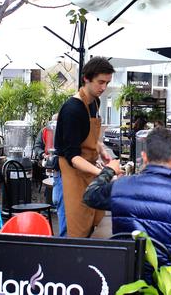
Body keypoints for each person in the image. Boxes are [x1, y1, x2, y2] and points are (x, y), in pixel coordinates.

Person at [83, 127, 171, 277]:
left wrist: (109, 170)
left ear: (144, 157)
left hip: (129, 280)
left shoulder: (121, 187)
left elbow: (90, 195)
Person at [54, 56, 120, 238]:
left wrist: (101, 149)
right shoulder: (72, 109)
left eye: (107, 83)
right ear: (86, 78)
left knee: (91, 223)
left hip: (87, 170)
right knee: (72, 231)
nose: (104, 87)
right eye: (100, 82)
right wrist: (104, 173)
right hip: (70, 173)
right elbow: (72, 156)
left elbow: (87, 137)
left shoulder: (95, 103)